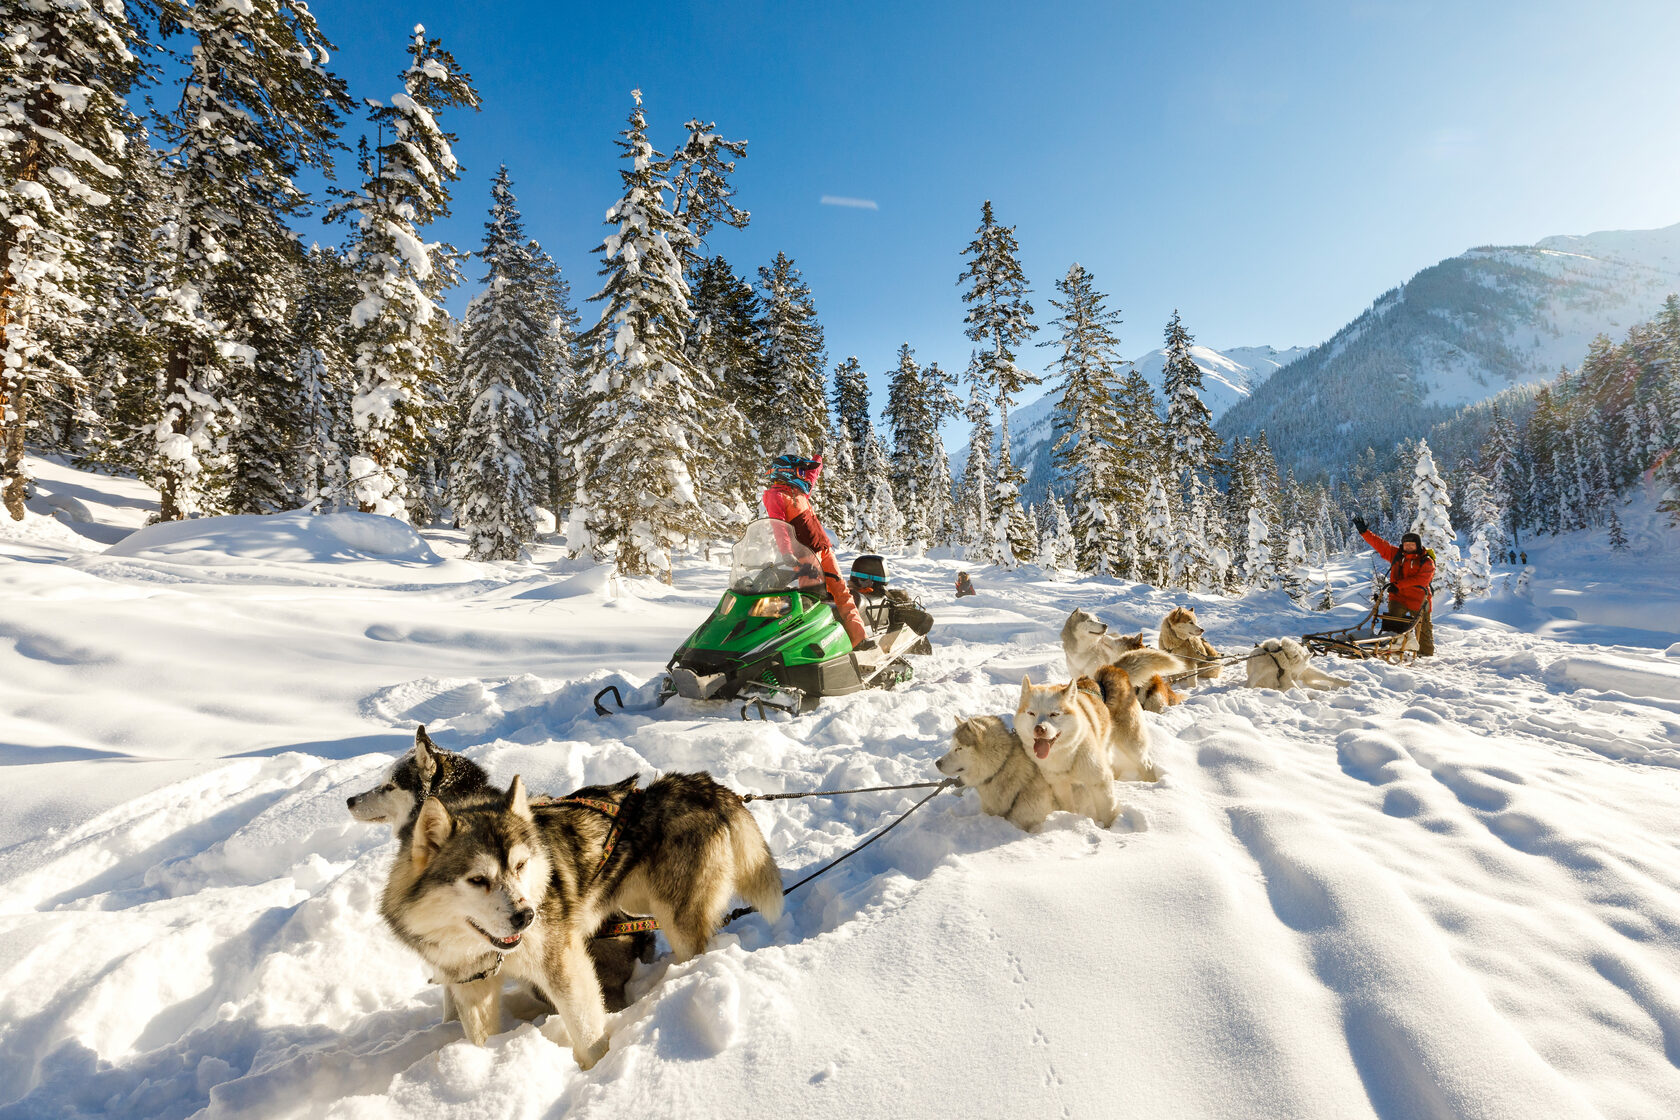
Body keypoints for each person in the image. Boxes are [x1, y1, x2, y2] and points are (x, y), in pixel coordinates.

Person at [761, 453, 868, 649]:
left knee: (842, 593)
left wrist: (818, 458)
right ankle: (813, 648)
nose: (803, 476)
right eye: (800, 472)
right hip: (804, 555)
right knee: (812, 600)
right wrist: (786, 552)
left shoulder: (799, 492)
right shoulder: (775, 495)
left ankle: (859, 640)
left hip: (823, 548)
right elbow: (780, 526)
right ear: (786, 472)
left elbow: (812, 477)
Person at [1353, 516, 1435, 657]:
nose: (1408, 547)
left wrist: (1398, 585)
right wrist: (1365, 532)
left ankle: (1426, 655)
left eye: (1412, 544)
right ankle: (1394, 649)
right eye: (1406, 544)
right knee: (1393, 625)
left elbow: (1421, 580)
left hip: (1419, 598)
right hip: (1399, 598)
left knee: (1423, 628)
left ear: (1418, 545)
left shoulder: (1426, 561)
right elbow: (1381, 545)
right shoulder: (1397, 555)